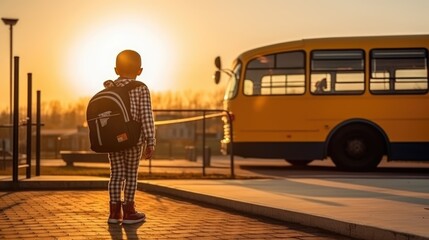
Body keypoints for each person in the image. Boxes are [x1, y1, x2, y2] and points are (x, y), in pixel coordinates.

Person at [107, 50, 156, 224]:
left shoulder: (109, 87)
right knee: (131, 174)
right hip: (134, 140)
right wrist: (150, 140)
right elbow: (146, 115)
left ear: (115, 69)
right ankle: (129, 212)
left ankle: (114, 213)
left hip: (112, 140)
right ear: (140, 71)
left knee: (116, 174)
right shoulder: (141, 88)